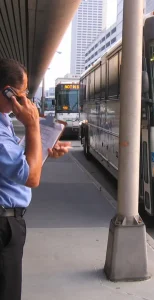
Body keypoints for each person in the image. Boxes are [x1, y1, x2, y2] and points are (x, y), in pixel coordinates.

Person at [0, 58, 71, 300]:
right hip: (4, 224)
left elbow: (23, 165)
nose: (26, 101)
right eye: (21, 95)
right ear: (7, 92)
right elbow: (31, 177)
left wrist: (43, 149)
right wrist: (32, 126)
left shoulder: (5, 121)